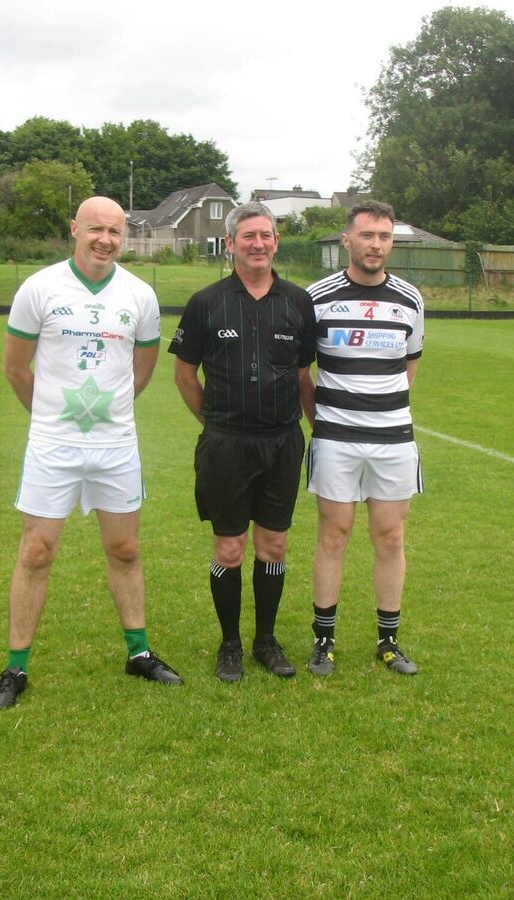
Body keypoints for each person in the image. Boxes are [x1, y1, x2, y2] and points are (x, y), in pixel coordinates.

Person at [0, 195, 181, 710]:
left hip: (116, 447)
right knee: (36, 552)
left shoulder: (140, 296)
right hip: (53, 446)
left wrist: (105, 415)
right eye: (96, 229)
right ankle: (15, 667)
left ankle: (139, 653)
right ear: (74, 228)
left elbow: (141, 373)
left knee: (126, 550)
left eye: (115, 232)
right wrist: (52, 418)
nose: (105, 240)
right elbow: (15, 368)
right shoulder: (40, 288)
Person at [169, 202, 317, 682]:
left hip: (281, 442)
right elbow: (184, 374)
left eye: (266, 235)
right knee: (229, 549)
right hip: (226, 445)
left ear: (276, 242)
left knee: (273, 545)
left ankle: (265, 641)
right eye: (248, 236)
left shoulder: (298, 302)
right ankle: (229, 644)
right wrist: (215, 422)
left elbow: (303, 374)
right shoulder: (206, 302)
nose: (258, 244)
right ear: (230, 243)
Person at [303, 200, 425, 676]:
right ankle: (324, 641)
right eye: (367, 236)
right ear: (346, 240)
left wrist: (384, 411)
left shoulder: (410, 299)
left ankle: (389, 642)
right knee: (334, 534)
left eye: (384, 237)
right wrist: (324, 422)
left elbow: (410, 364)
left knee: (390, 537)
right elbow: (301, 374)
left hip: (393, 439)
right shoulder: (317, 297)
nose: (376, 245)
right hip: (336, 438)